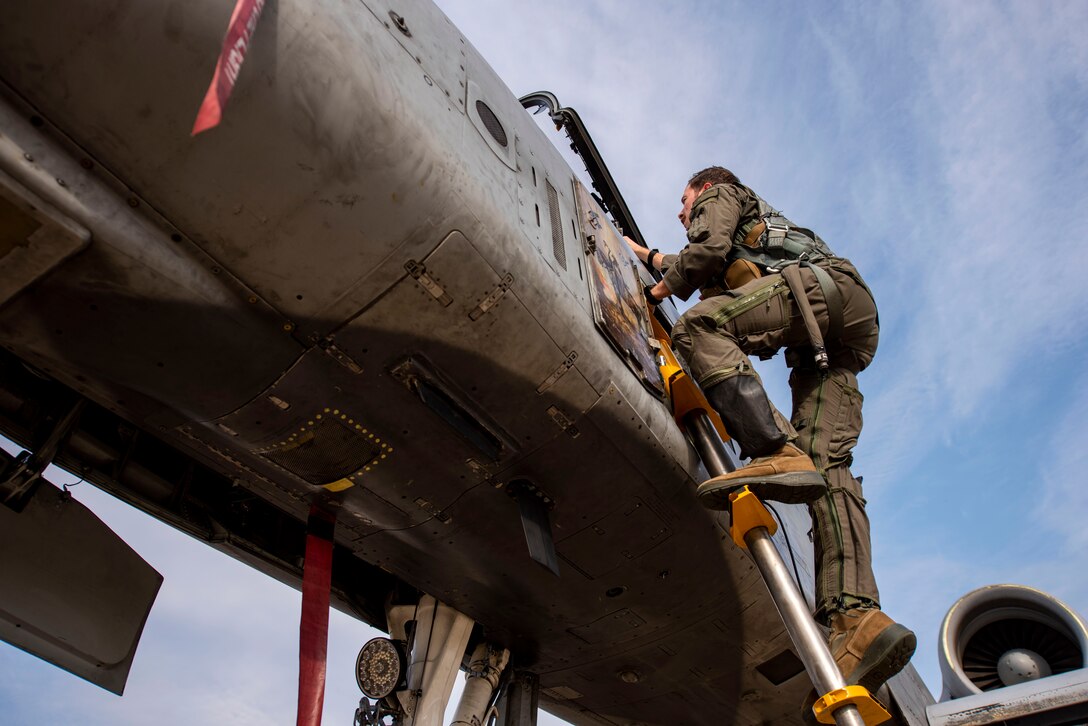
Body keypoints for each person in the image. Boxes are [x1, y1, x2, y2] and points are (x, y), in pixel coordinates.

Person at [628, 166, 915, 707]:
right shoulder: (750, 228)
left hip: (815, 296)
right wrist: (648, 256)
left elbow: (708, 251)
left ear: (702, 189)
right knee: (827, 465)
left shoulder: (720, 191)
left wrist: (662, 287)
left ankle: (770, 449)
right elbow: (702, 262)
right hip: (840, 329)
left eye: (682, 201)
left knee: (698, 327)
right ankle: (857, 618)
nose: (680, 211)